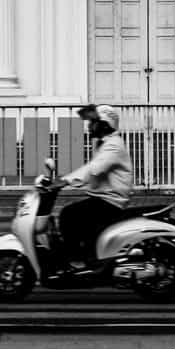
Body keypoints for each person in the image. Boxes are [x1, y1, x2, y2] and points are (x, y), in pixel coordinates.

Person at [55, 103, 134, 270]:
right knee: (76, 216)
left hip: (110, 202)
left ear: (104, 124)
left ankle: (77, 261)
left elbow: (94, 168)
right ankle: (86, 255)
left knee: (68, 215)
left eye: (92, 122)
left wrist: (65, 181)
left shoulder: (114, 145)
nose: (89, 126)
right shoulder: (105, 143)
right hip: (102, 198)